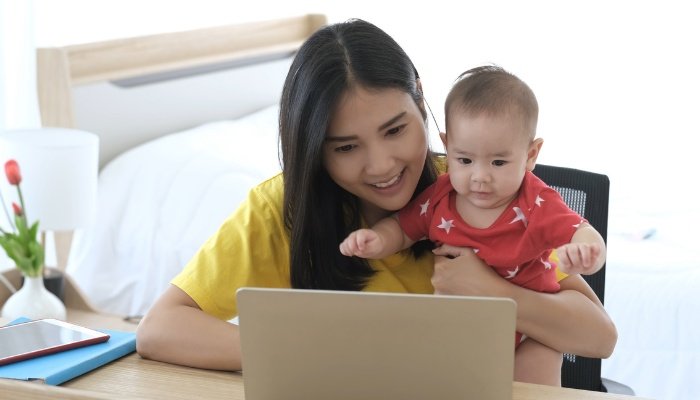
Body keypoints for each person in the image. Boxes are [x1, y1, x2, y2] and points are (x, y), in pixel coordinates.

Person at [136, 19, 617, 383]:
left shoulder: (470, 190)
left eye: (395, 130)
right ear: (313, 148)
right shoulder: (283, 209)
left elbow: (597, 336)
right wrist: (330, 356)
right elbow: (160, 330)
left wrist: (497, 293)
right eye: (346, 147)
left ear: (420, 101)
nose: (382, 165)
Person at [339, 65, 607, 385]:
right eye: (464, 160)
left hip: (530, 331)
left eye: (498, 162)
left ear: (531, 154)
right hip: (461, 332)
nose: (480, 177)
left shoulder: (535, 201)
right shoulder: (440, 195)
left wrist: (589, 252)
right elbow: (402, 228)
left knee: (535, 376)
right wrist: (377, 240)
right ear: (447, 146)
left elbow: (581, 231)